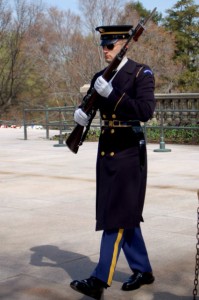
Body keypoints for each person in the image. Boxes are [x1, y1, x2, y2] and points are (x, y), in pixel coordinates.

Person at [70, 25, 156, 300]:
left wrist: (114, 95)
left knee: (115, 217)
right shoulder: (100, 77)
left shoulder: (141, 73)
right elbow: (90, 106)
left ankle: (99, 279)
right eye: (102, 46)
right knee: (122, 210)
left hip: (129, 152)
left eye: (110, 46)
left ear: (124, 46)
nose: (105, 51)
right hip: (107, 152)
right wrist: (81, 115)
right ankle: (143, 270)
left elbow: (145, 111)